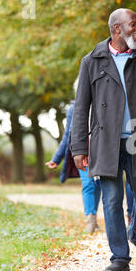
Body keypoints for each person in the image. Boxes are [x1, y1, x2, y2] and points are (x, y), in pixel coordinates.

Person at [70, 8, 136, 271]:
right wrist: (80, 148)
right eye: (133, 25)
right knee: (111, 200)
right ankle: (120, 256)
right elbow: (81, 108)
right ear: (117, 28)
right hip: (107, 141)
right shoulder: (91, 61)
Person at [45, 79, 101, 234]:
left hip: (101, 150)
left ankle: (94, 216)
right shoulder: (74, 108)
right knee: (88, 184)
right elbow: (68, 135)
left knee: (98, 184)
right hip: (82, 151)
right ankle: (90, 219)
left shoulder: (103, 104)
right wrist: (56, 158)